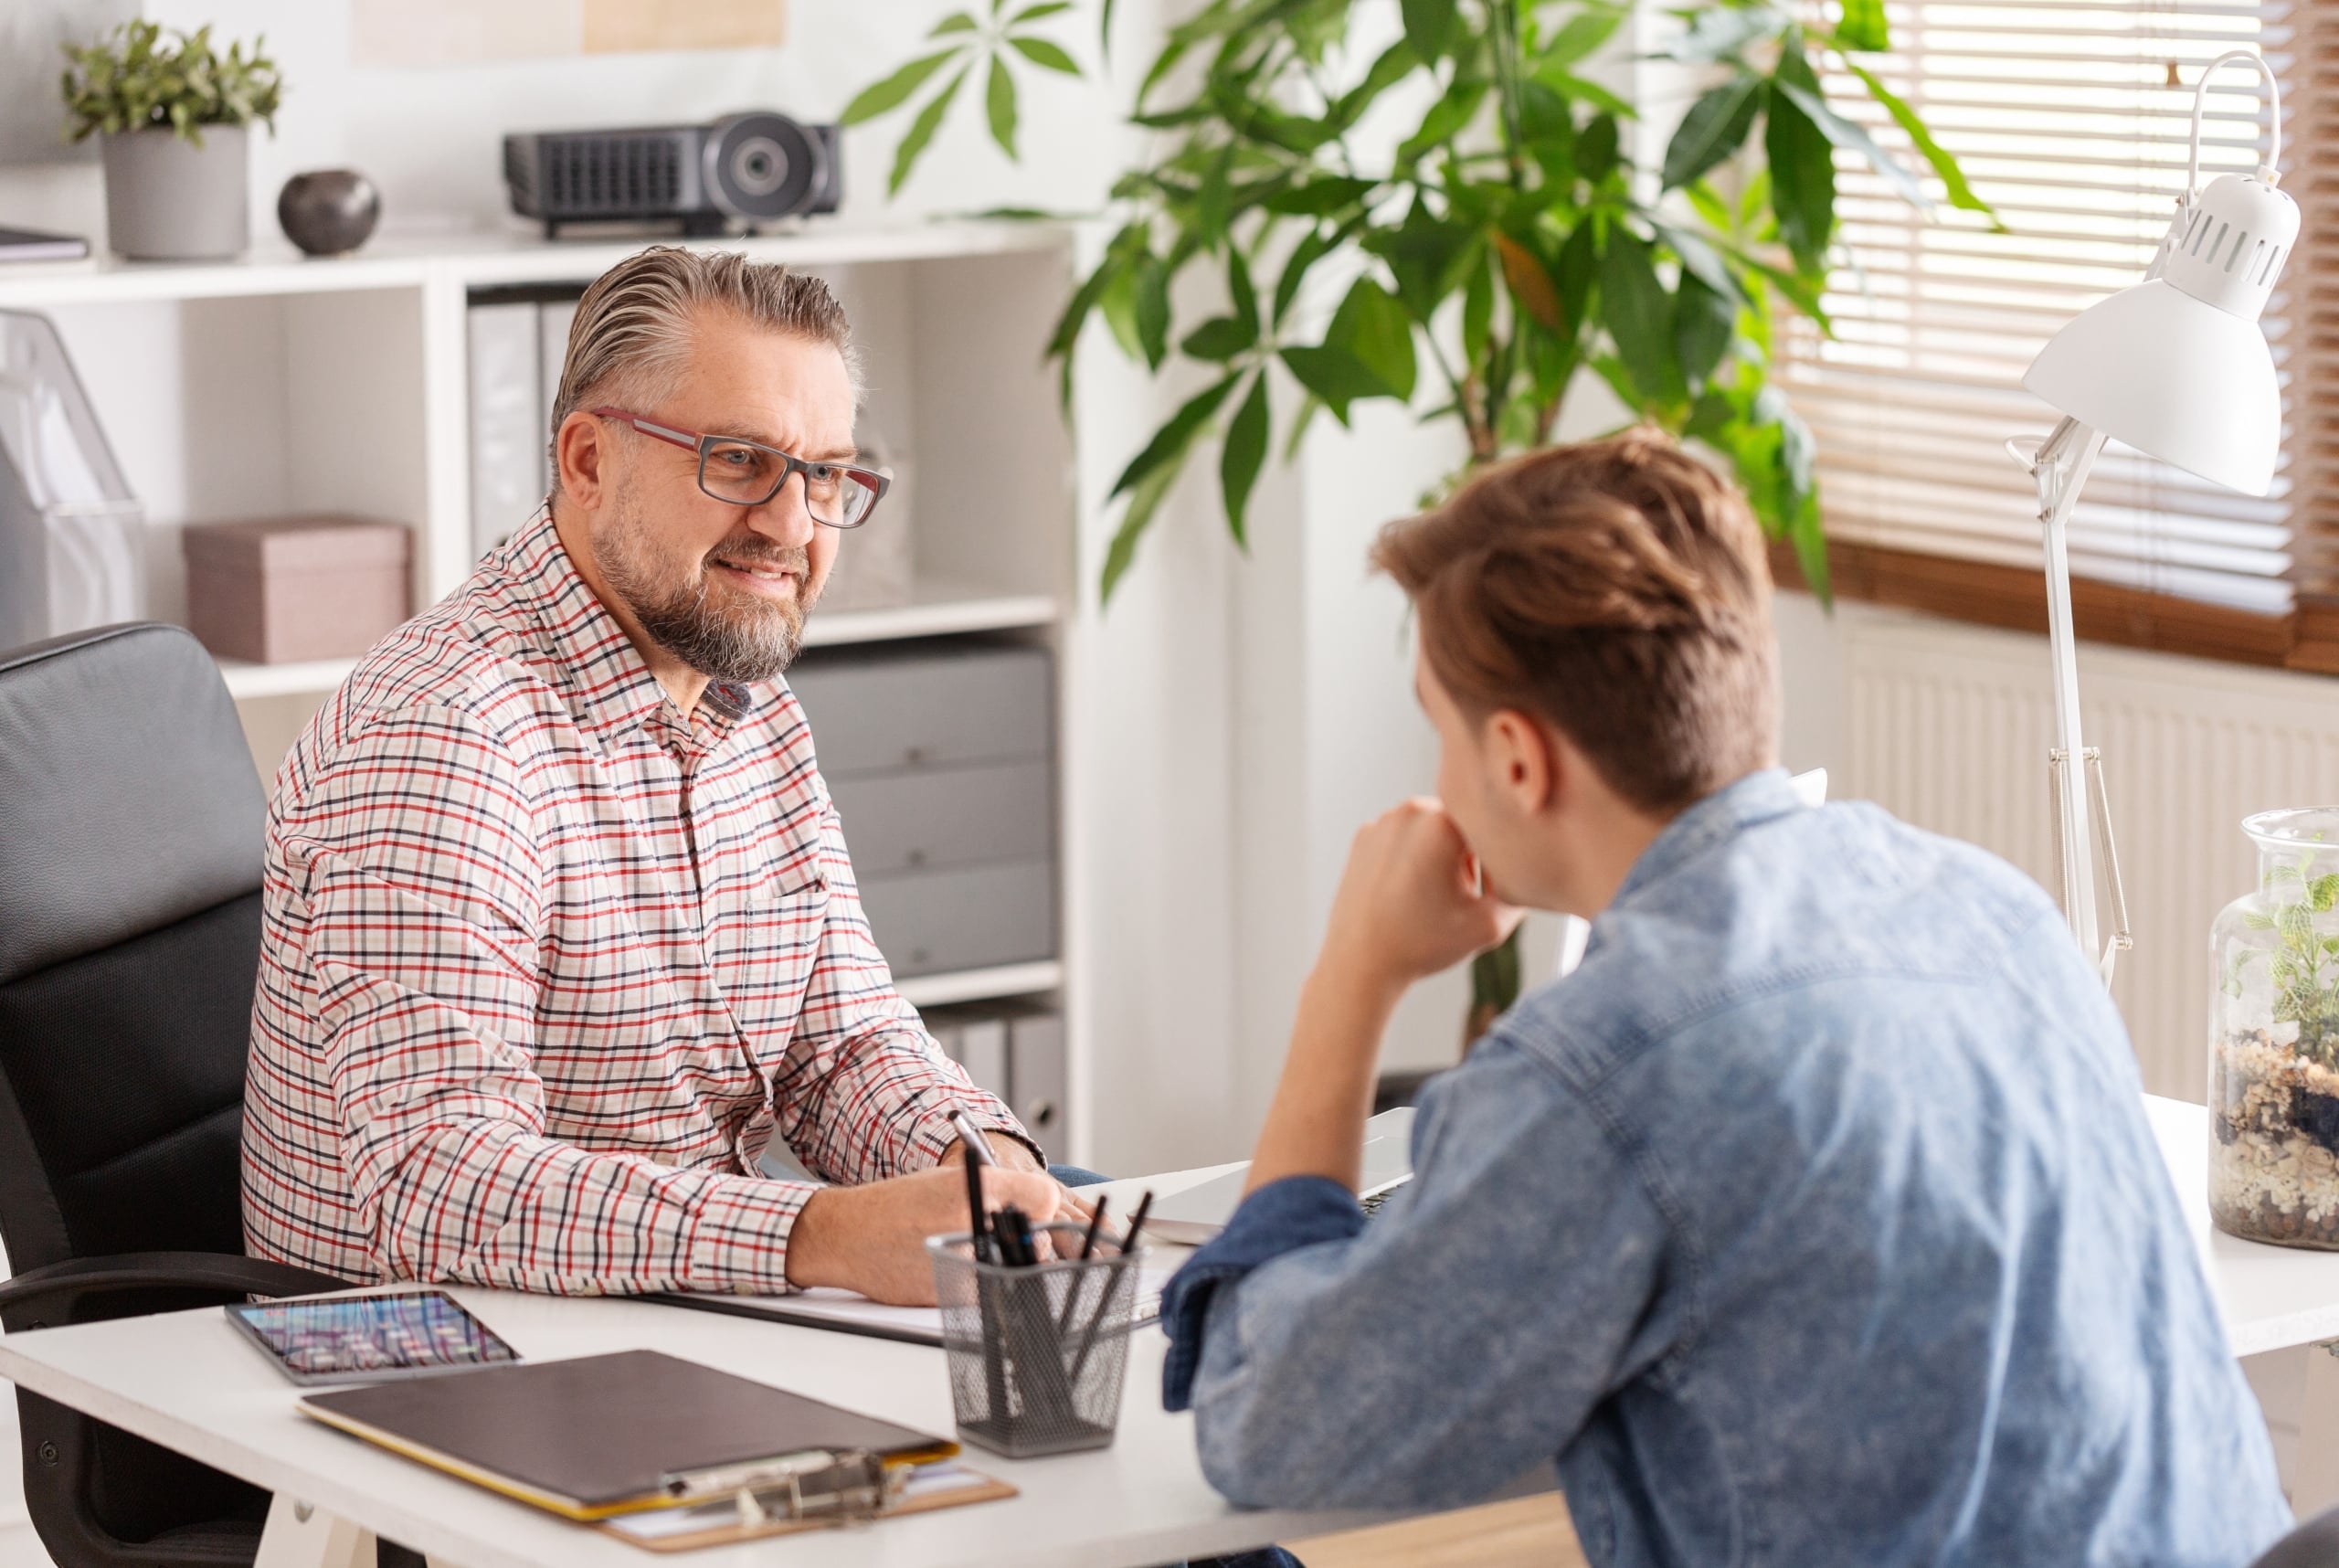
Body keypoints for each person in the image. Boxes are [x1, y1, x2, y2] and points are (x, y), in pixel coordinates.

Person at [1160, 430, 2289, 1565]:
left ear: (1515, 759)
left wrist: (1352, 975)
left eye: (1436, 726)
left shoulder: (1608, 1063)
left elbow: (1258, 1418)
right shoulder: (1999, 913)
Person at [242, 246, 1080, 1306]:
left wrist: (985, 1166)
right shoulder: (447, 737)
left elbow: (841, 1040)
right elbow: (434, 1184)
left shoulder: (742, 692)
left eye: (824, 474)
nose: (792, 526)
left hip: (670, 1310)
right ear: (588, 461)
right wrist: (818, 1236)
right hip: (456, 1360)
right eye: (738, 461)